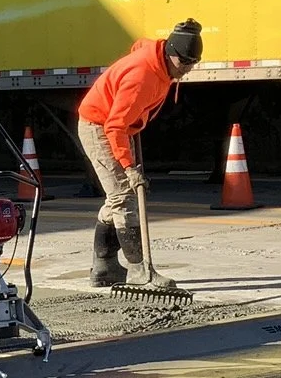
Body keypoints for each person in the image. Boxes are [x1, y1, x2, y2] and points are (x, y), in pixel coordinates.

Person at [76, 18, 203, 290]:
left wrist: (138, 121)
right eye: (185, 64)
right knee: (123, 196)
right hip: (100, 126)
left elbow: (139, 45)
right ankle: (139, 271)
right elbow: (115, 126)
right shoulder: (142, 76)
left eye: (194, 64)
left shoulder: (162, 62)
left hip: (119, 126)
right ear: (170, 54)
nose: (188, 70)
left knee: (117, 197)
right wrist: (129, 167)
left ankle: (104, 265)